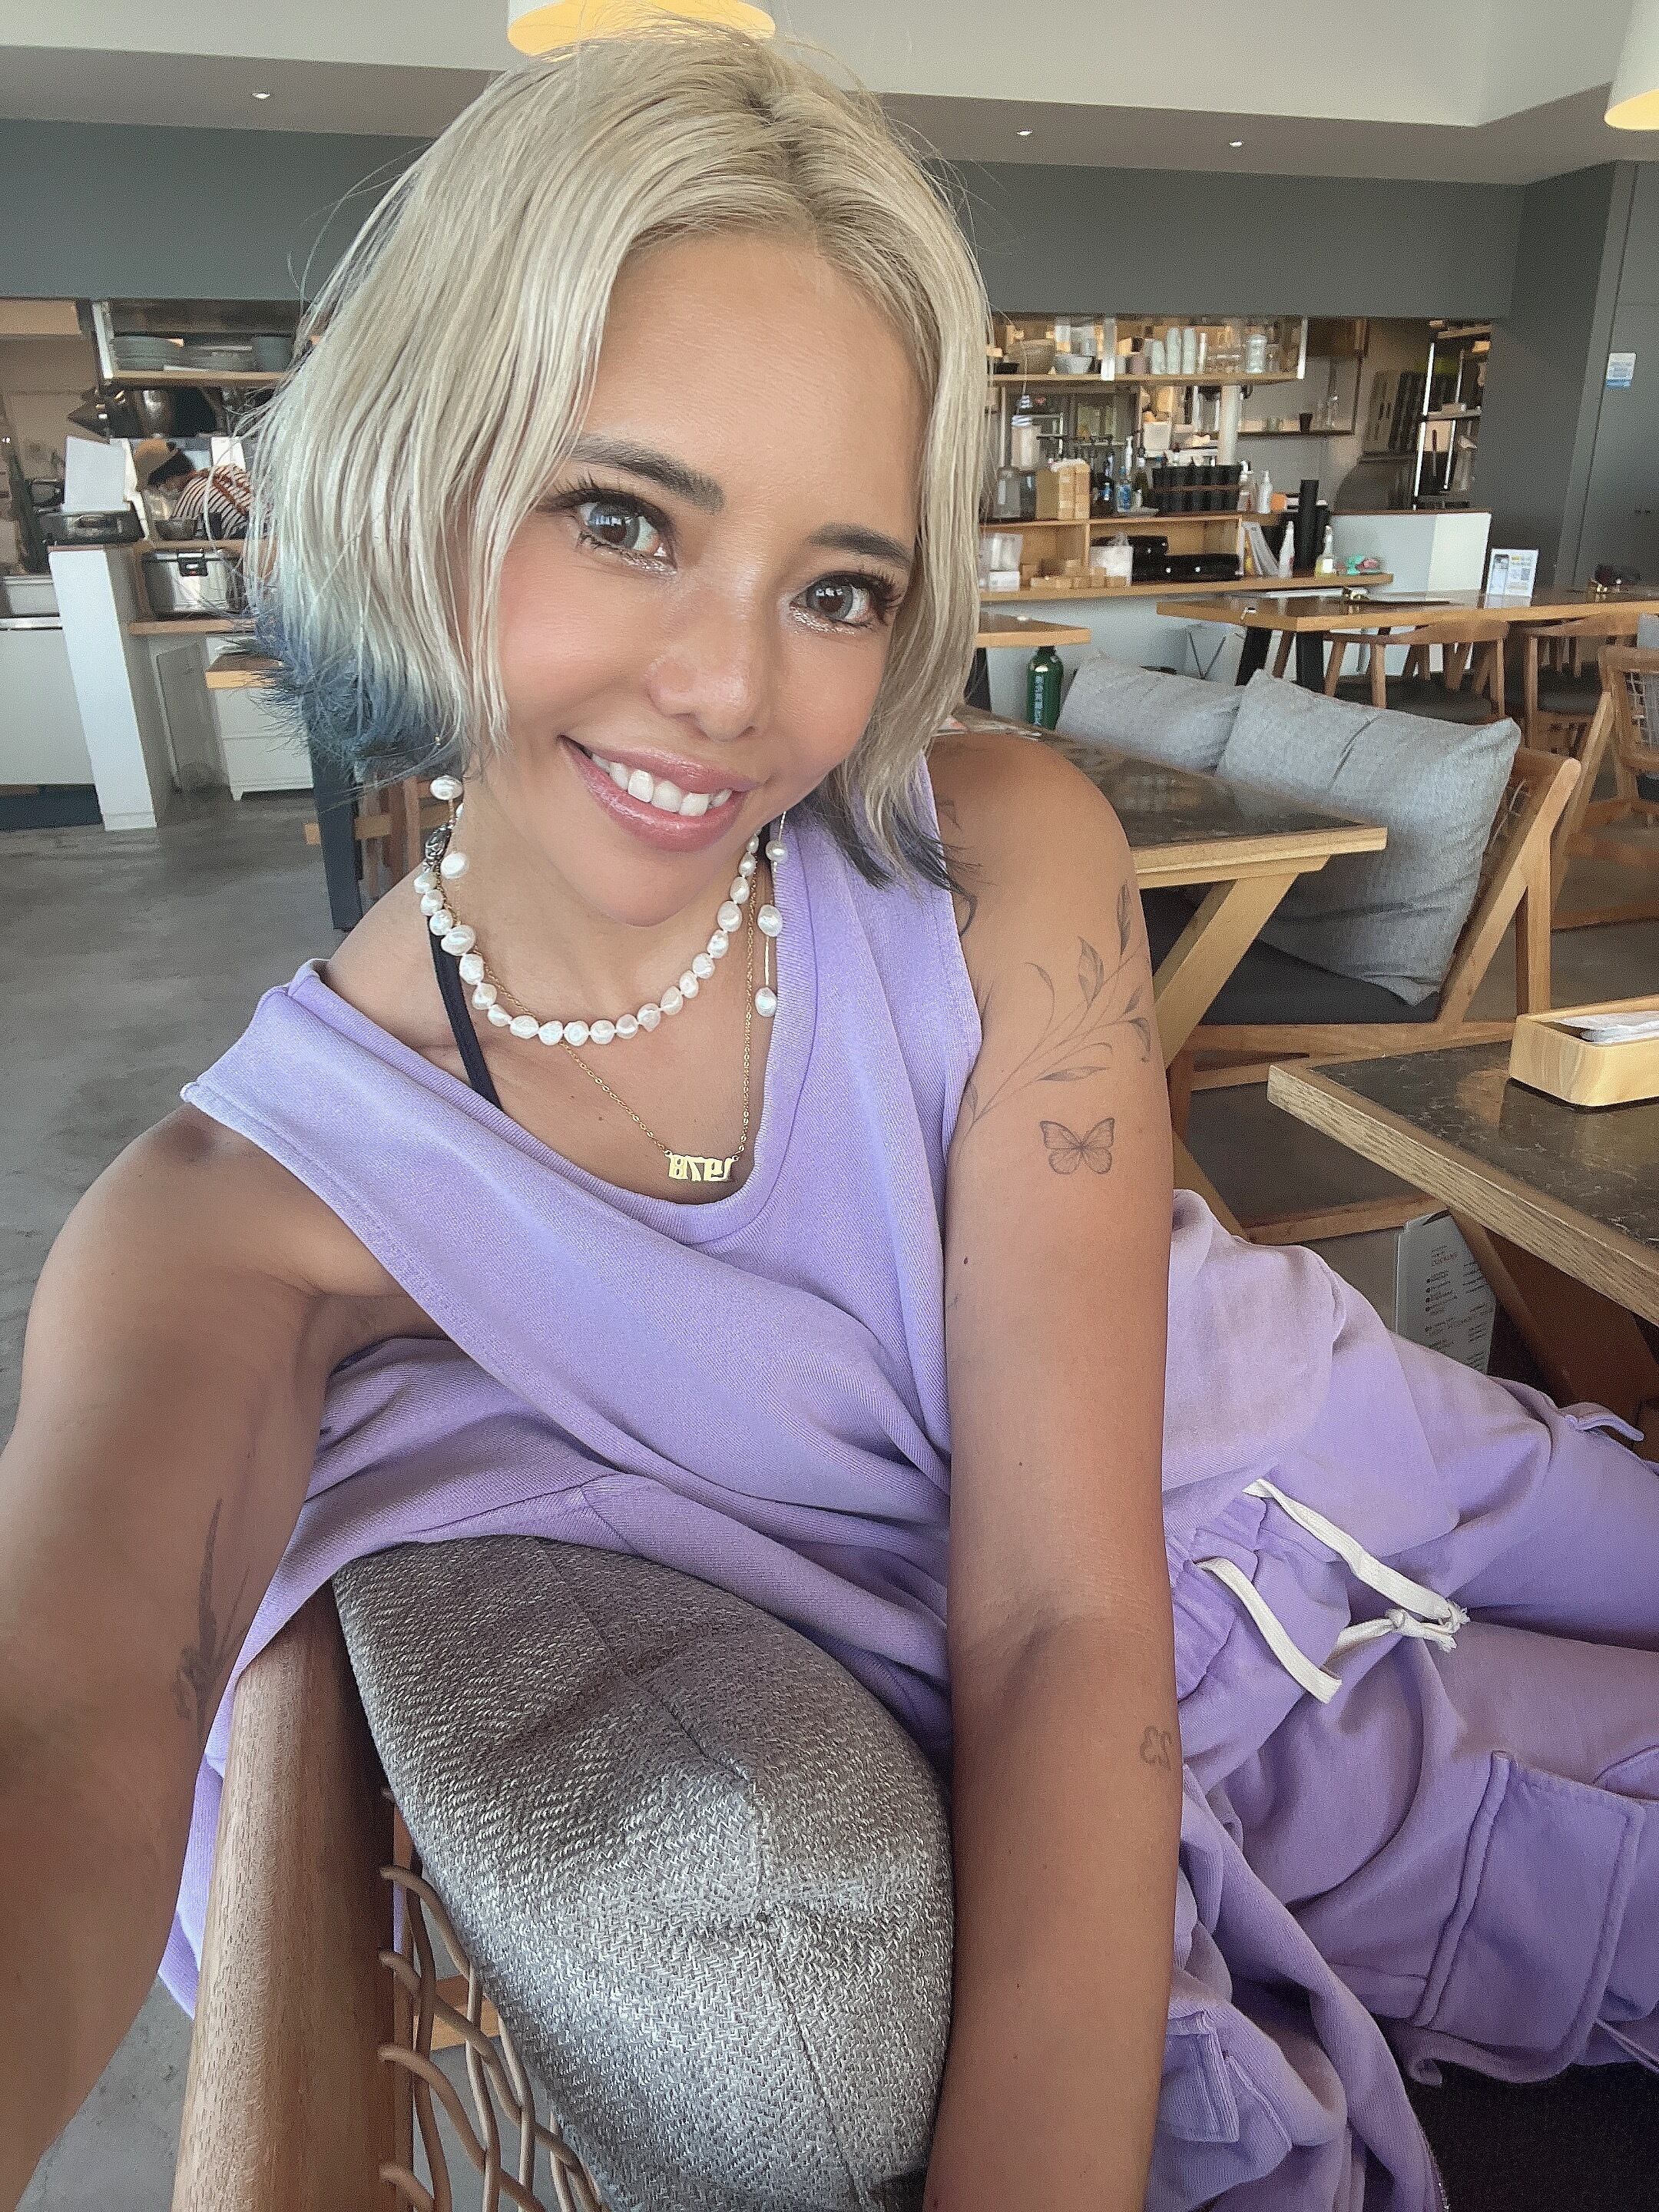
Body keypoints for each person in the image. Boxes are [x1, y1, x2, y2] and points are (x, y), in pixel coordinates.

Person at [3, 28, 1657, 2212]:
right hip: (1292, 1744)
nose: (733, 689)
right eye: (624, 519)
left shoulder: (995, 857)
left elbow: (1064, 1604)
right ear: (423, 478)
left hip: (1392, 1467)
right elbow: (61, 1741)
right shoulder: (236, 1222)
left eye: (839, 588)